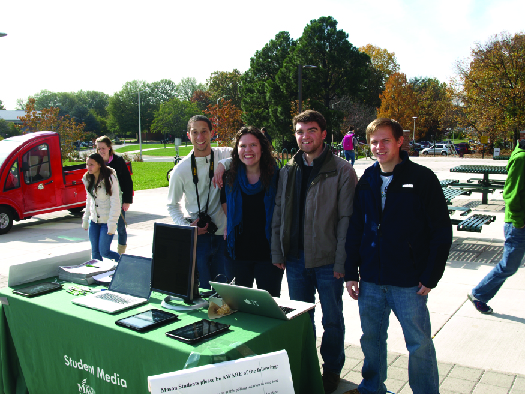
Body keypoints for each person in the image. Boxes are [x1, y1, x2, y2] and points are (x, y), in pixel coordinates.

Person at [344, 118, 452, 394]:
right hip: (370, 279)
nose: (379, 147)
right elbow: (356, 227)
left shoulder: (422, 178)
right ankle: (372, 387)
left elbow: (440, 231)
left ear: (400, 141)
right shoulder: (367, 179)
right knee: (372, 339)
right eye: (374, 142)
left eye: (386, 140)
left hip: (409, 282)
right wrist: (350, 272)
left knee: (419, 344)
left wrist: (431, 275)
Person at [271, 110, 358, 394]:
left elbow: (347, 219)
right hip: (295, 260)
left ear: (323, 134)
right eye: (299, 131)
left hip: (328, 261)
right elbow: (279, 212)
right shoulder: (289, 169)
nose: (304, 136)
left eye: (310, 130)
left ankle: (331, 370)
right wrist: (278, 251)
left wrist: (342, 261)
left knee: (332, 320)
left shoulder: (342, 170)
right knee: (301, 319)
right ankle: (306, 366)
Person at [167, 115, 233, 289]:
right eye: (195, 132)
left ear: (212, 133)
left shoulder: (223, 154)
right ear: (189, 135)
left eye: (204, 131)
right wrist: (188, 228)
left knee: (226, 293)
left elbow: (245, 154)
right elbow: (172, 204)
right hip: (200, 237)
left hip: (224, 236)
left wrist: (223, 165)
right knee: (202, 291)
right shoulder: (180, 170)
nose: (200, 137)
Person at [220, 126, 282, 296]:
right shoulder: (229, 177)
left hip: (268, 255)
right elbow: (224, 201)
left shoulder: (277, 177)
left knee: (269, 309)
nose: (248, 150)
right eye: (242, 146)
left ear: (262, 147)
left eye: (253, 145)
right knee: (237, 308)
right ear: (237, 150)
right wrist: (231, 222)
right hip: (236, 254)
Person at [468, 138, 525, 314]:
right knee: (509, 266)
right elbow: (511, 193)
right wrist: (519, 221)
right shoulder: (522, 158)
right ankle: (479, 294)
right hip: (518, 224)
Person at [95, 136, 133, 255]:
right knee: (104, 228)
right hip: (103, 202)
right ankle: (103, 252)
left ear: (109, 148)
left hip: (118, 200)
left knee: (120, 228)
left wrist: (127, 201)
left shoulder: (118, 161)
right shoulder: (96, 162)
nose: (101, 151)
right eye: (99, 148)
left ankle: (121, 254)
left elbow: (127, 181)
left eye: (103, 148)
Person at [82, 153, 121, 262]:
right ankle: (96, 275)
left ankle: (123, 263)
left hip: (107, 221)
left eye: (91, 164)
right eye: (87, 164)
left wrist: (112, 223)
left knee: (104, 251)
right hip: (94, 221)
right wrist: (86, 218)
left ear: (99, 165)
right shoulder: (87, 178)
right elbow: (89, 199)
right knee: (95, 252)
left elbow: (115, 201)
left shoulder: (110, 178)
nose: (88, 167)